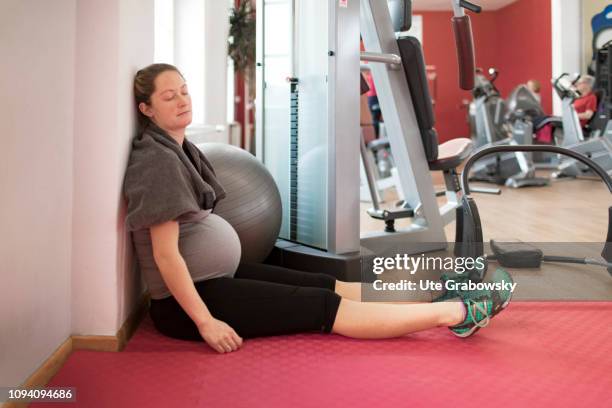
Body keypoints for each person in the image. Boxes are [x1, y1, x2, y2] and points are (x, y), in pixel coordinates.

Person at [123, 63, 513, 354]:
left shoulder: (177, 148)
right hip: (187, 301)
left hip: (214, 275)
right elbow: (165, 255)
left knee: (326, 284)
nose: (182, 100)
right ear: (147, 109)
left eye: (184, 90)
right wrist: (205, 323)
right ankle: (460, 314)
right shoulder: (156, 161)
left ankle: (441, 291)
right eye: (168, 96)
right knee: (323, 305)